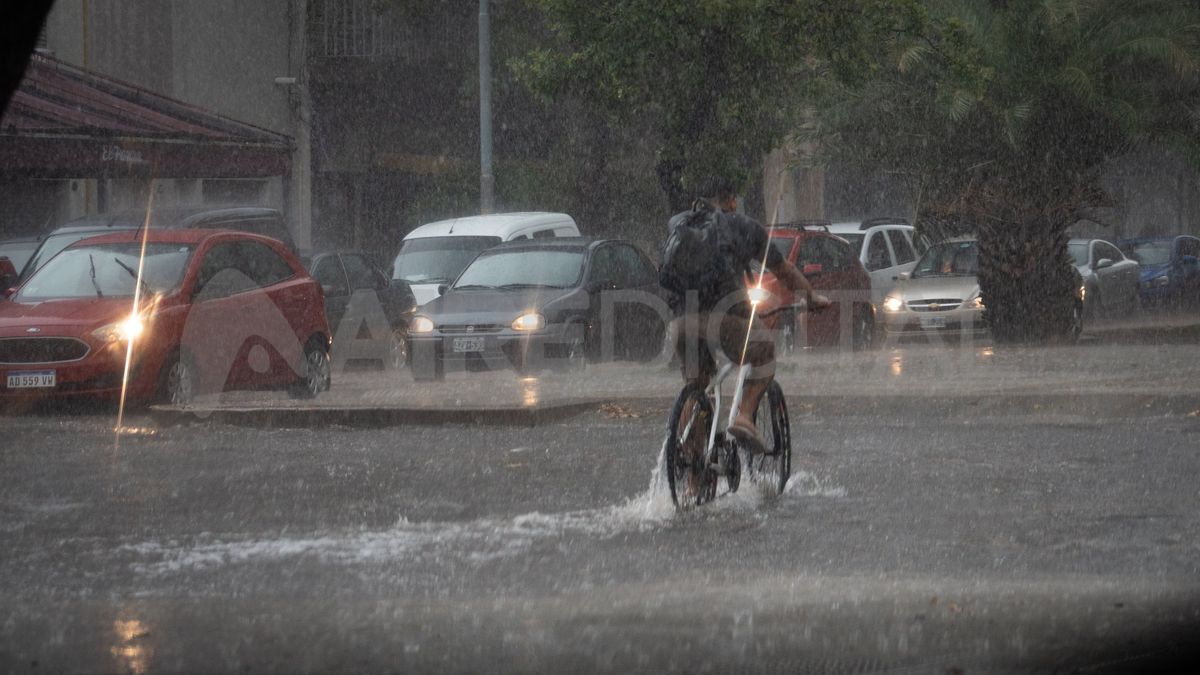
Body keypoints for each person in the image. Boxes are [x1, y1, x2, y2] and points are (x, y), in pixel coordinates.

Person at [666, 176, 828, 454]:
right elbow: (784, 271)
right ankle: (744, 418)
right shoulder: (744, 227)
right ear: (731, 201)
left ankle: (691, 468)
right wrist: (811, 297)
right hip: (723, 318)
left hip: (681, 322)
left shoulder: (679, 224)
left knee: (697, 387)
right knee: (764, 350)